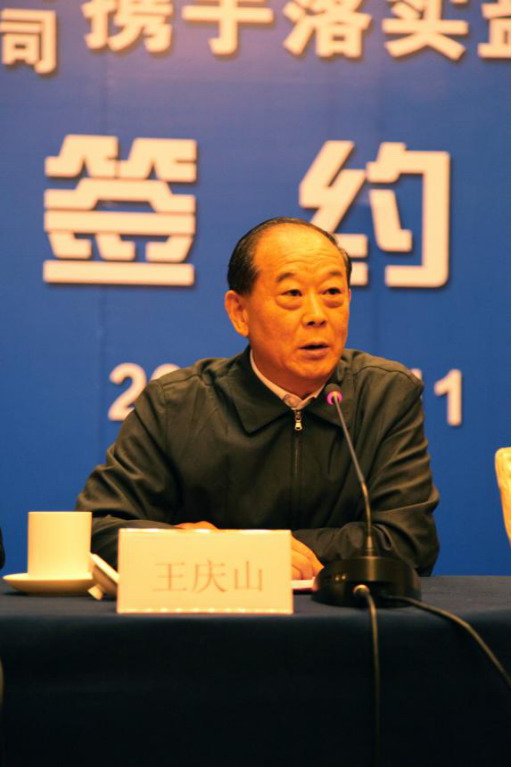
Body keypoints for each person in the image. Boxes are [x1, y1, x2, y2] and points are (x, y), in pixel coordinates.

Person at [76, 217, 439, 579]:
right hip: (214, 610)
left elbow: (408, 542)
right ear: (240, 312)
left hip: (345, 612)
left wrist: (256, 550)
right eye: (292, 294)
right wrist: (222, 552)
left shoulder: (386, 394)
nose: (317, 316)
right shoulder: (176, 405)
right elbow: (96, 531)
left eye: (332, 293)